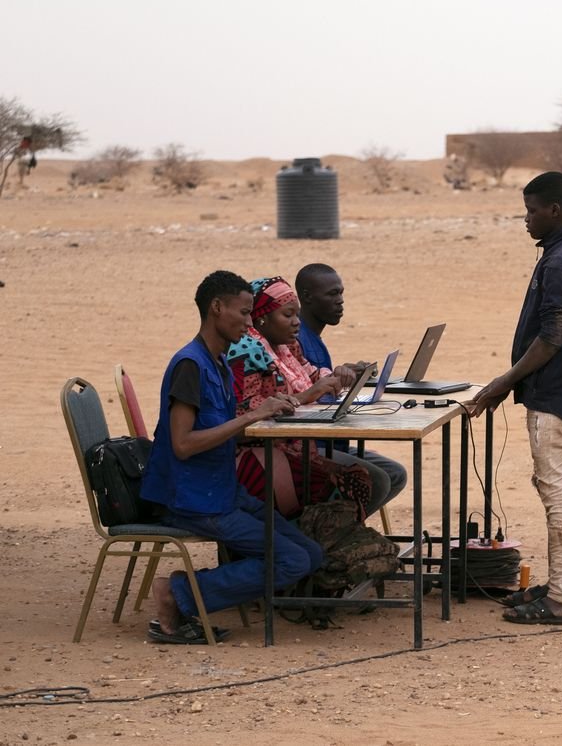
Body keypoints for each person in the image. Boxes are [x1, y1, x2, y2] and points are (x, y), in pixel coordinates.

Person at [140, 270, 323, 644]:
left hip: (222, 489)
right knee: (293, 559)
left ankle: (186, 593)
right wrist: (253, 416)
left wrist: (270, 410)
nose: (249, 321)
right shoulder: (190, 365)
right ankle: (178, 594)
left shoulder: (219, 361)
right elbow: (183, 444)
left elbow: (228, 428)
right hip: (194, 498)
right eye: (243, 312)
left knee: (309, 552)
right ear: (216, 307)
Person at [466, 171, 562, 626]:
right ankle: (559, 584)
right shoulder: (559, 254)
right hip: (552, 389)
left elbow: (551, 338)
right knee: (552, 486)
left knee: (557, 489)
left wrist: (504, 381)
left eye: (532, 210)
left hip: (556, 393)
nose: (526, 219)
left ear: (555, 211)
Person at [226, 276, 373, 519]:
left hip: (295, 448)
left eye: (296, 315)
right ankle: (307, 547)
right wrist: (307, 396)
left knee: (359, 478)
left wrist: (338, 376)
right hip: (254, 456)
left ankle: (318, 547)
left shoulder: (286, 346)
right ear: (261, 316)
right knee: (346, 485)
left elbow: (313, 374)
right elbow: (245, 416)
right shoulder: (244, 353)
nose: (296, 323)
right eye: (287, 315)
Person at [295, 263, 408, 514]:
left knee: (394, 474)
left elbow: (315, 382)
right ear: (307, 297)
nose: (340, 301)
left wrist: (345, 376)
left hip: (329, 439)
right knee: (378, 480)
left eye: (341, 293)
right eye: (332, 294)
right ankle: (332, 536)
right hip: (309, 444)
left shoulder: (314, 339)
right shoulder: (297, 339)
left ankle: (341, 531)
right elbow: (305, 397)